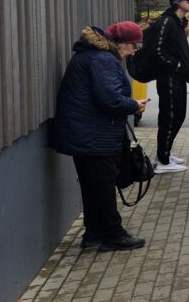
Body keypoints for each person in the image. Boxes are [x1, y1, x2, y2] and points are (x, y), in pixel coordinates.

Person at [51, 22, 148, 252]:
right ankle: (114, 234)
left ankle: (93, 233)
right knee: (103, 186)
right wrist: (134, 104)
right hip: (93, 136)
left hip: (82, 134)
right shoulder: (103, 60)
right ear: (123, 43)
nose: (134, 51)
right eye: (134, 46)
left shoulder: (93, 55)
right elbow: (110, 100)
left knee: (92, 185)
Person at [148, 0, 189, 173]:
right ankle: (162, 160)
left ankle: (165, 153)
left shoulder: (178, 22)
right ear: (177, 1)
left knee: (178, 114)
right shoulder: (167, 22)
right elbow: (157, 50)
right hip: (169, 78)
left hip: (178, 77)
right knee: (170, 116)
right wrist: (175, 65)